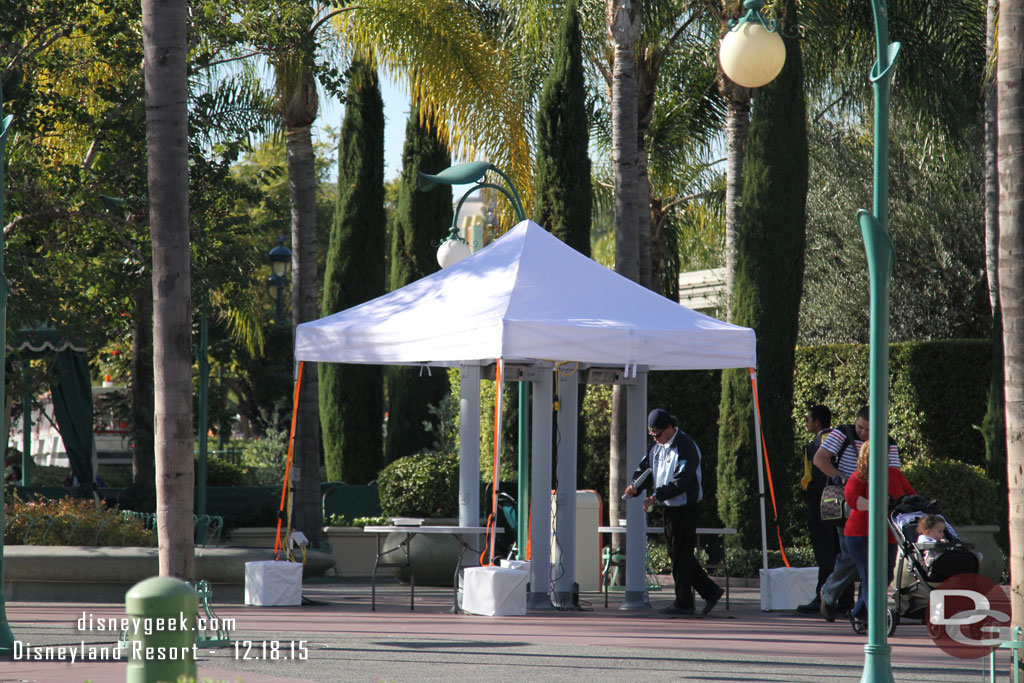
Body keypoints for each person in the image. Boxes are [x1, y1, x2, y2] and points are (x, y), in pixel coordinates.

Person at [624, 408, 724, 617]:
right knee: (678, 555)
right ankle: (708, 592)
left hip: (685, 508)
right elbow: (645, 469)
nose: (656, 439)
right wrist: (635, 486)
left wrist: (656, 496)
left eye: (658, 434)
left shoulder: (686, 447)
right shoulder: (657, 447)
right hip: (669, 508)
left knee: (680, 555)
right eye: (652, 435)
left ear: (670, 427)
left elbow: (682, 481)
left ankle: (685, 602)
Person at [812, 405, 901, 622]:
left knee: (869, 558)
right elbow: (819, 459)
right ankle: (832, 593)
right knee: (853, 554)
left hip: (877, 503)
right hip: (849, 499)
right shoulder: (842, 433)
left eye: (867, 430)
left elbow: (895, 472)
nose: (862, 432)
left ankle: (860, 609)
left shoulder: (888, 443)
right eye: (860, 427)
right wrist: (840, 476)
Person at [843, 440, 917, 631]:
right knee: (871, 576)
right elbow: (852, 500)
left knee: (883, 576)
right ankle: (877, 618)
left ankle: (859, 613)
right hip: (860, 535)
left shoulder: (895, 474)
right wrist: (875, 503)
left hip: (888, 535)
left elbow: (911, 495)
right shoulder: (859, 477)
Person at [796, 405, 837, 614]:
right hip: (842, 505)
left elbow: (814, 479)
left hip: (822, 505)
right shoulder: (841, 438)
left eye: (808, 419)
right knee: (840, 553)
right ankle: (841, 597)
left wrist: (810, 490)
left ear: (818, 423)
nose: (806, 423)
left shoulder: (818, 444)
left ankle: (824, 597)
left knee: (824, 553)